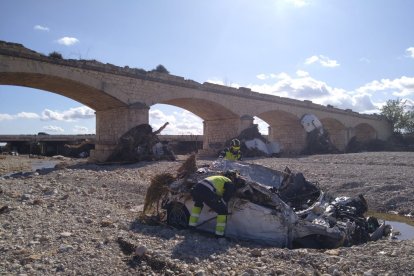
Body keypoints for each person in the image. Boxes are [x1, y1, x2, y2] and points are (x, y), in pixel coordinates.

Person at [188, 170, 245, 237]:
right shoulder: (229, 182)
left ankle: (191, 227)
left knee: (198, 205)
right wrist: (219, 206)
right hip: (207, 190)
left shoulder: (218, 178)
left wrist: (215, 205)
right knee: (223, 211)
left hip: (196, 189)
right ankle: (219, 234)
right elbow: (225, 199)